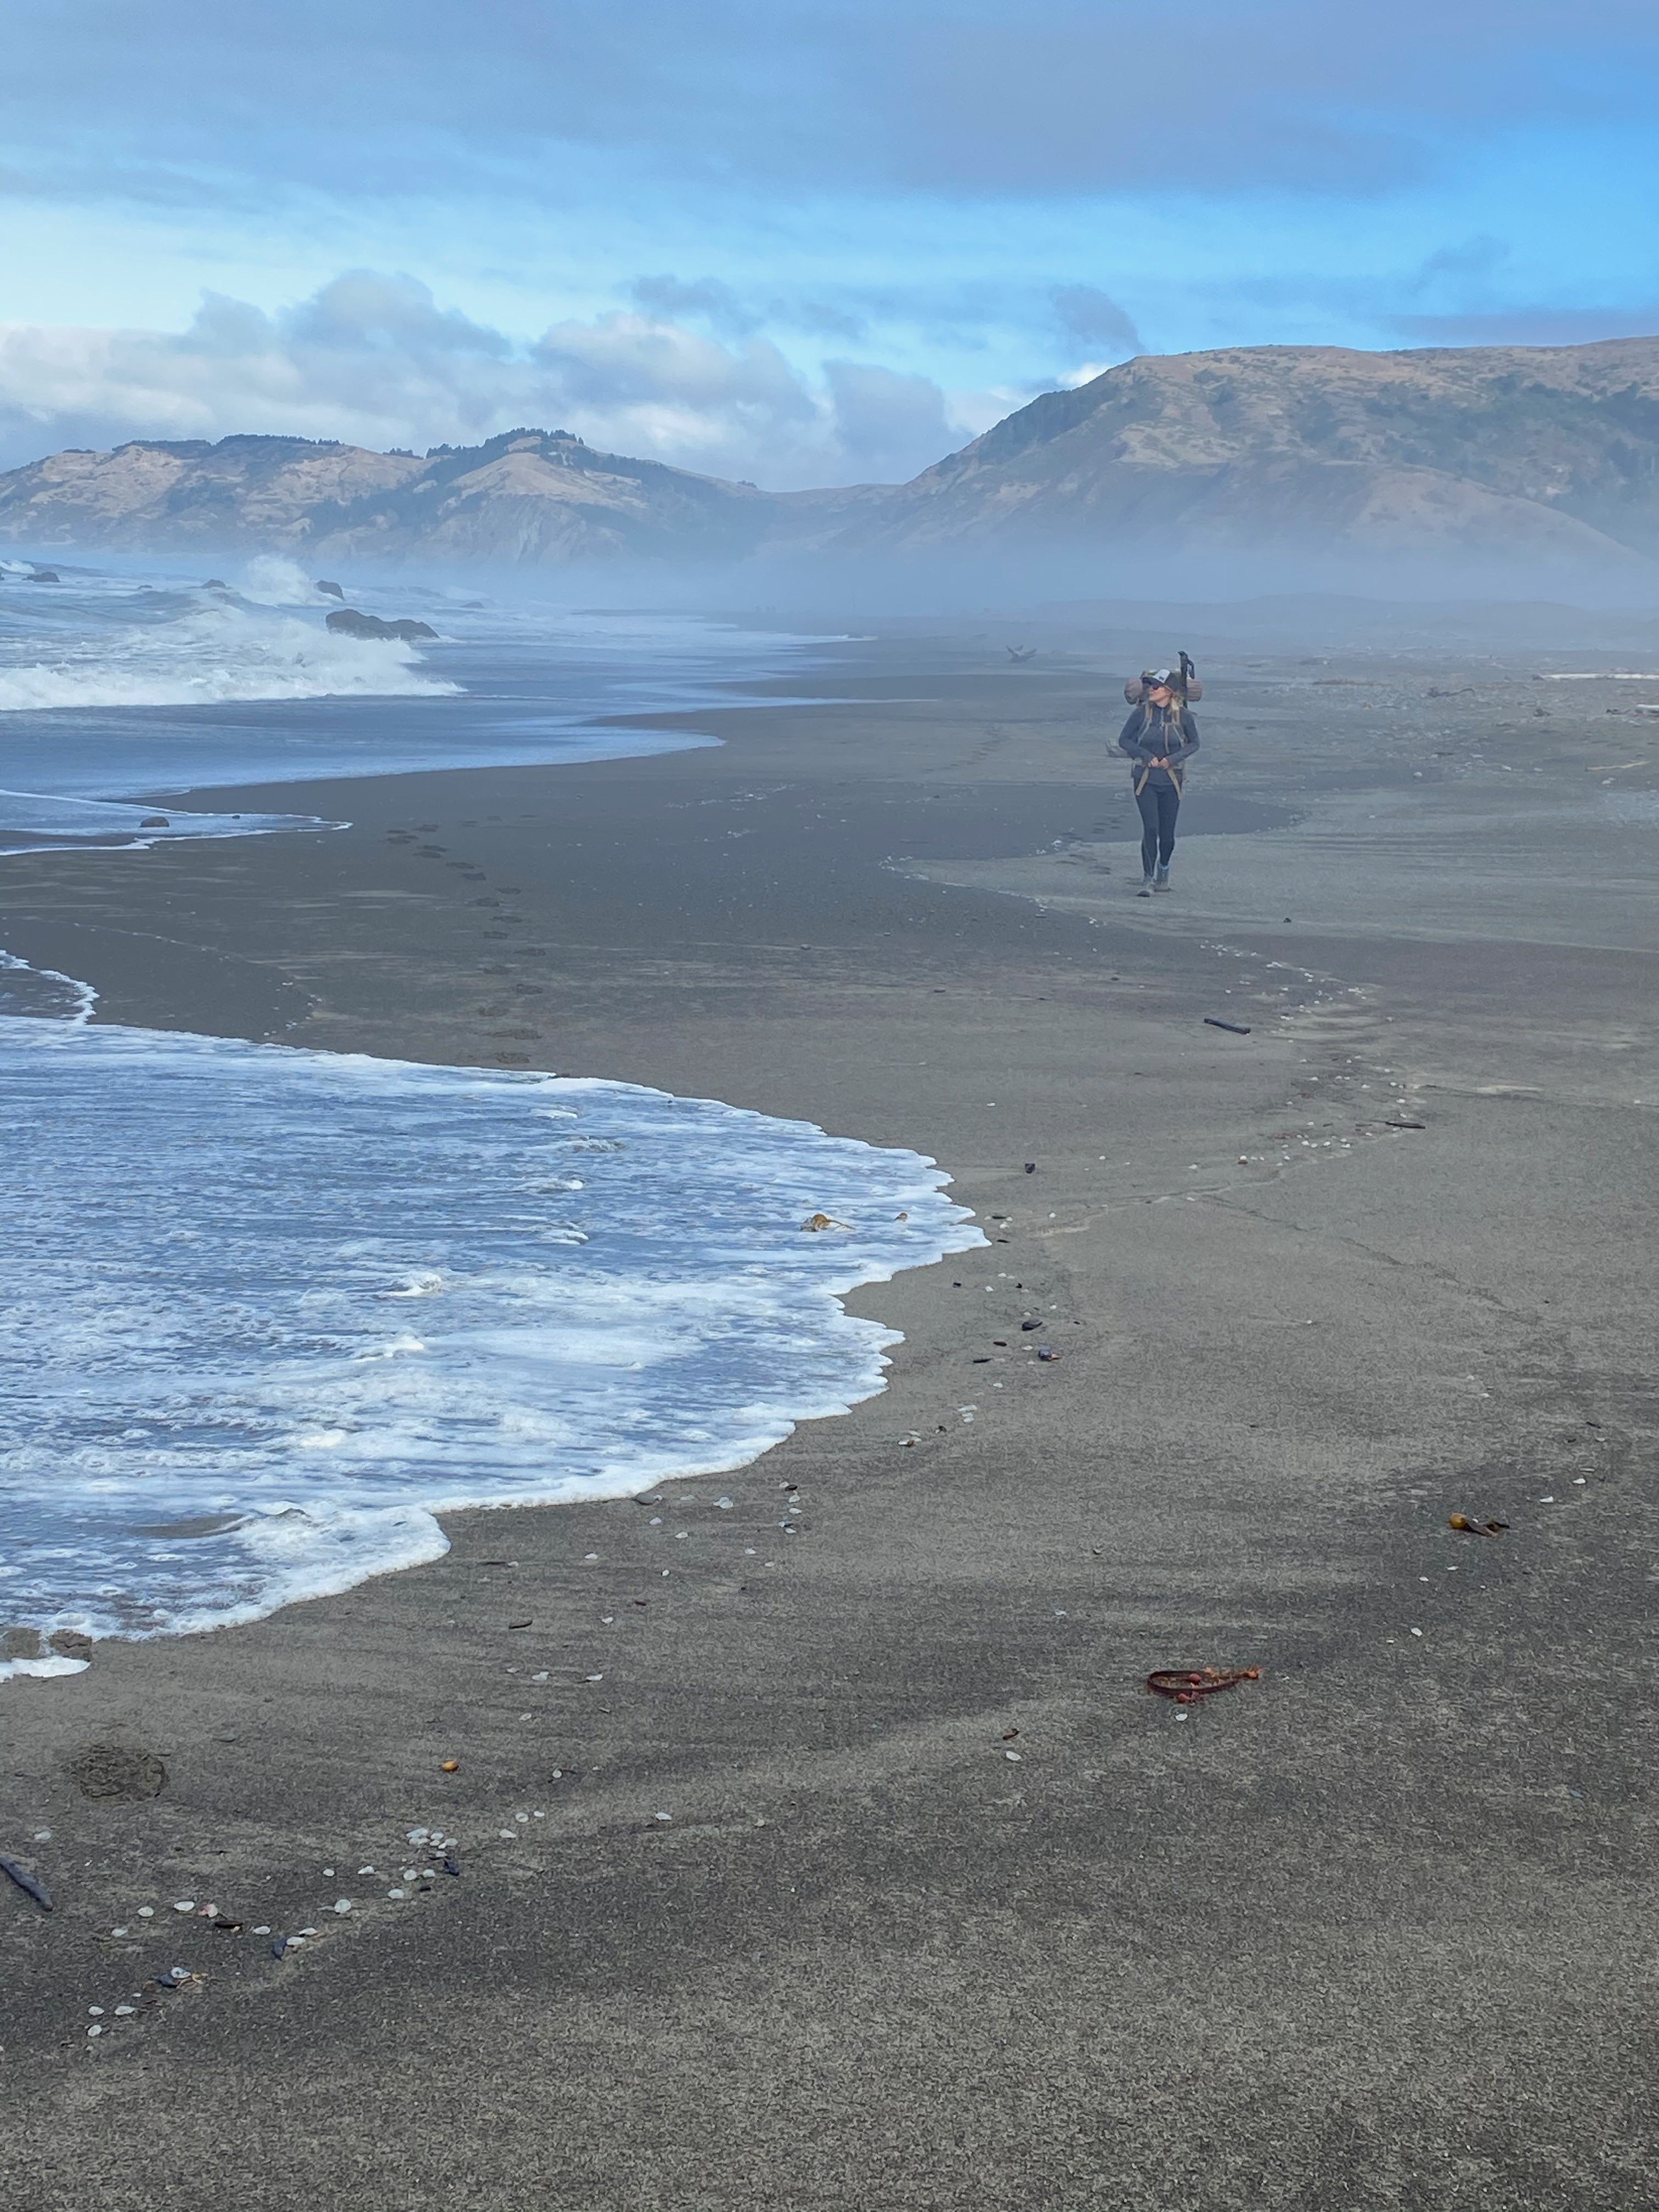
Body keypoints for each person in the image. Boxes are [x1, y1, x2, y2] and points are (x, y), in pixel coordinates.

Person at [1118, 658, 1200, 895]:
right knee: (1151, 829)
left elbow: (1195, 743)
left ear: (1169, 692)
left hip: (1172, 781)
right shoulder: (1141, 715)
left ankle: (1163, 869)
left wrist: (1172, 760)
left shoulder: (1184, 717)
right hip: (1145, 780)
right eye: (1149, 686)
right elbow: (1124, 740)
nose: (1150, 690)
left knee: (1167, 836)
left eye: (1156, 686)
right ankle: (1147, 879)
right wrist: (1144, 755)